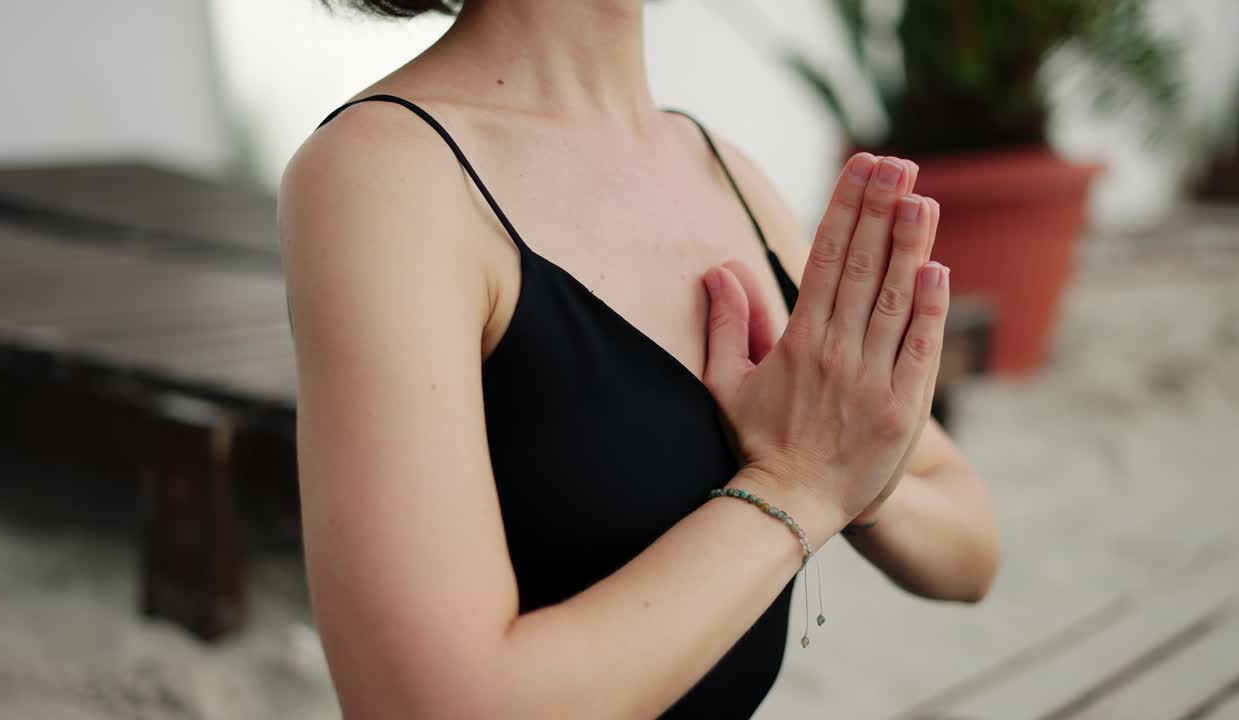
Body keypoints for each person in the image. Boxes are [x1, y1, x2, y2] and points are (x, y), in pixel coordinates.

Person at [278, 0, 1000, 717]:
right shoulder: (387, 174)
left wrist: (852, 473)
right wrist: (796, 486)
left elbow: (972, 547)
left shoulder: (724, 171)